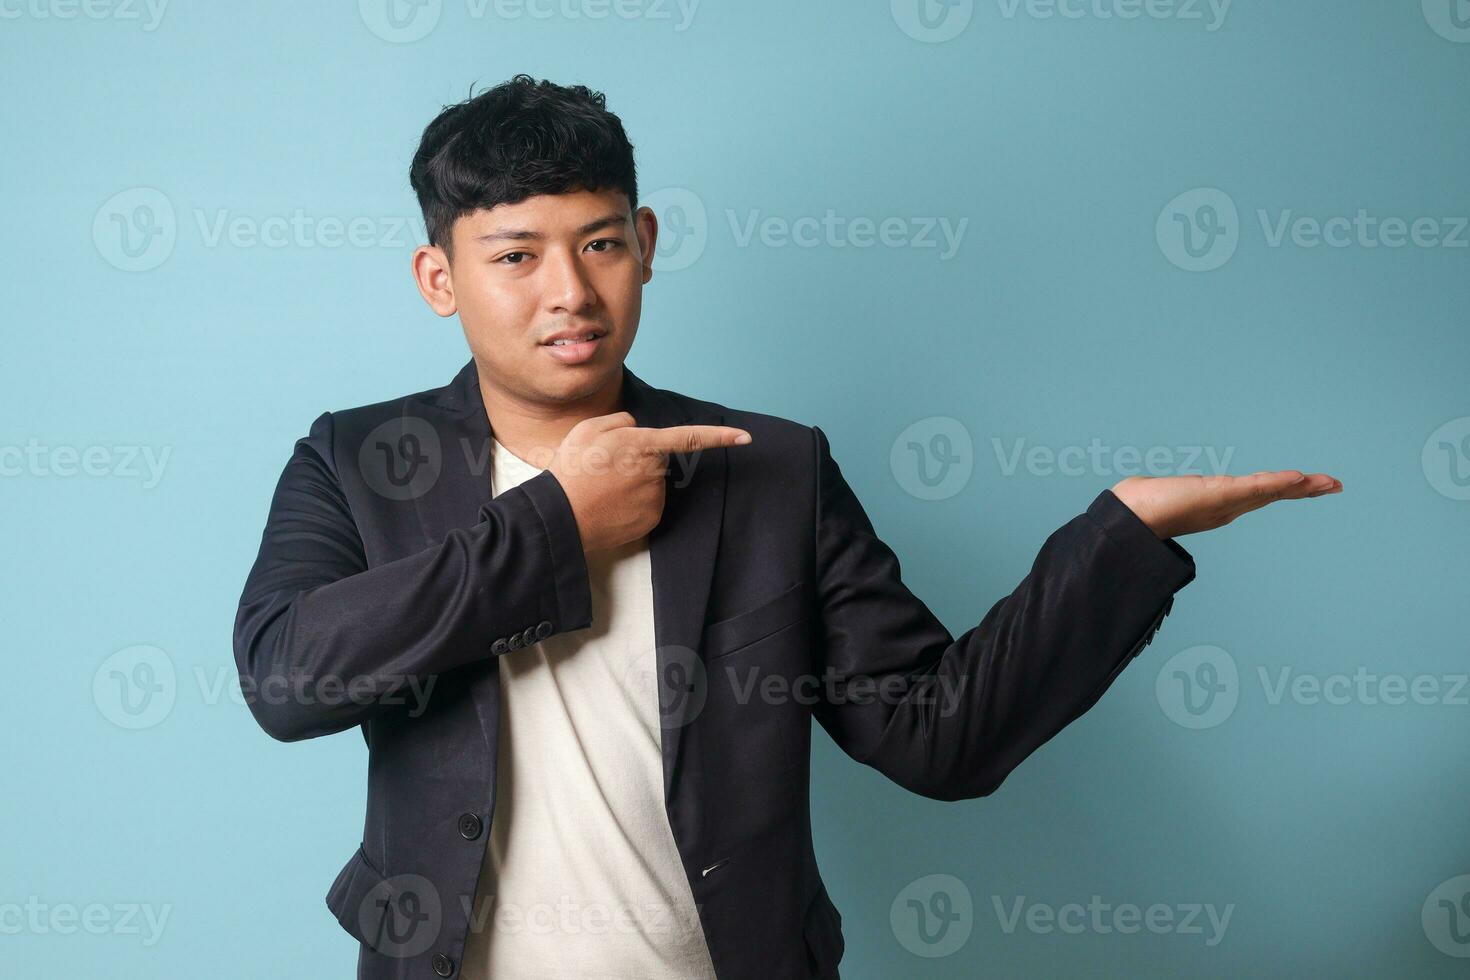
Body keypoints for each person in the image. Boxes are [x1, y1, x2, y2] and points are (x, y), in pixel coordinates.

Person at [232, 74, 1342, 980]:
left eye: (601, 243)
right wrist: (558, 524)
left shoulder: (773, 470)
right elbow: (289, 679)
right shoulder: (358, 462)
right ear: (441, 277)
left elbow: (937, 737)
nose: (568, 289)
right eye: (517, 255)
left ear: (647, 242)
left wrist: (1121, 540)